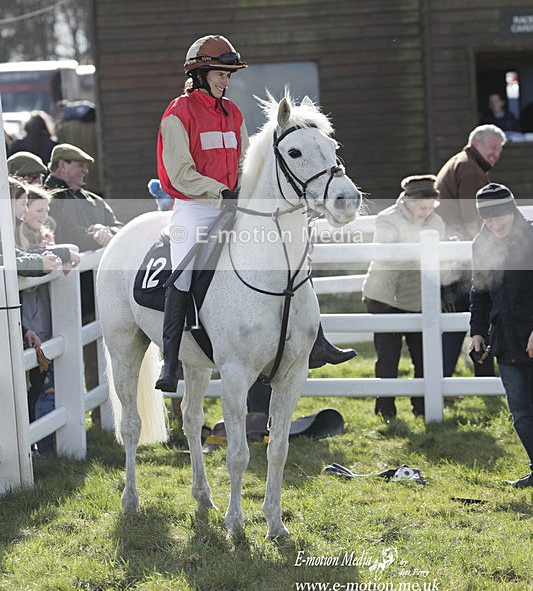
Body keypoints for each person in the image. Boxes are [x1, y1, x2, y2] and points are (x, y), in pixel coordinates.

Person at [154, 34, 355, 393]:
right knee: (184, 271)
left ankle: (317, 340)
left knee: (291, 254)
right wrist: (220, 191)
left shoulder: (233, 112)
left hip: (235, 202)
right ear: (200, 75)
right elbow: (180, 172)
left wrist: (247, 190)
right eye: (220, 74)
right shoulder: (178, 113)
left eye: (228, 75)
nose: (225, 81)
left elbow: (246, 161)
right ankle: (171, 361)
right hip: (196, 207)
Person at [43, 143, 123, 403]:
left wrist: (108, 231)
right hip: (65, 293)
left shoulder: (92, 200)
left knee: (98, 355)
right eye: (80, 165)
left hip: (95, 289)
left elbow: (119, 227)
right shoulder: (49, 198)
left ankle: (101, 414)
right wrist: (95, 235)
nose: (86, 170)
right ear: (62, 165)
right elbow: (69, 235)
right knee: (66, 358)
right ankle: (74, 413)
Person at [362, 175, 445, 419]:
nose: (426, 212)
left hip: (420, 298)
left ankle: (423, 409)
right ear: (409, 202)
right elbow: (388, 256)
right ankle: (386, 410)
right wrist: (423, 254)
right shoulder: (387, 219)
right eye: (422, 207)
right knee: (388, 357)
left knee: (424, 356)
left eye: (430, 207)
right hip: (385, 298)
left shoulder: (436, 221)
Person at [469, 183, 533, 488]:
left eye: (500, 216)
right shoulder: (481, 245)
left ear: (512, 210)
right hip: (505, 338)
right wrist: (477, 331)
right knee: (520, 412)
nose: (495, 224)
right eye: (488, 218)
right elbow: (479, 291)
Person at [435, 124, 506, 379]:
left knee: (460, 321)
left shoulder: (463, 163)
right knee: (469, 319)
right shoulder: (470, 170)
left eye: (500, 150)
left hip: (451, 259)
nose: (496, 154)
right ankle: (474, 378)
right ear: (477, 144)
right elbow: (476, 221)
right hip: (461, 261)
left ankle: (471, 378)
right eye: (493, 147)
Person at [16, 184, 81, 452]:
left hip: (42, 320)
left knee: (39, 385)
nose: (44, 215)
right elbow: (26, 261)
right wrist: (60, 254)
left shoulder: (44, 237)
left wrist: (56, 252)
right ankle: (29, 444)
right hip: (27, 320)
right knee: (26, 386)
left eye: (47, 210)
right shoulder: (17, 239)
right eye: (39, 209)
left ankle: (40, 443)